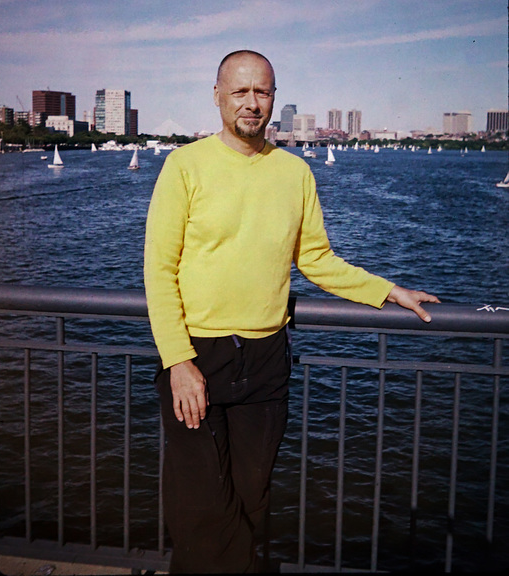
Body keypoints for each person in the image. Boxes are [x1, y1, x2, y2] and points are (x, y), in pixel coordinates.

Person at [144, 50, 439, 573]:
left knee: (252, 502)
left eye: (262, 91)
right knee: (202, 510)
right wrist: (178, 361)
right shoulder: (184, 167)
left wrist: (389, 291)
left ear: (274, 98)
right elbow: (159, 271)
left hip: (266, 360)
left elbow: (317, 259)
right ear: (217, 96)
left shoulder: (295, 172)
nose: (252, 103)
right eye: (240, 91)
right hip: (198, 358)